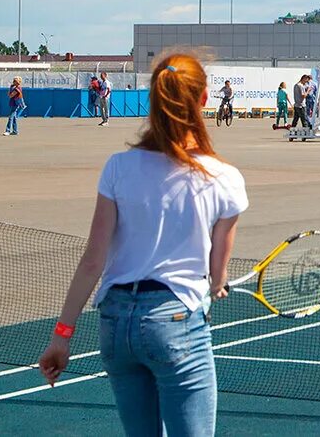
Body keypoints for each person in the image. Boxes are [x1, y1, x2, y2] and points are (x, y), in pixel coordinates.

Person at [38, 53, 247, 436]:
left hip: (116, 323)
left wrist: (61, 336)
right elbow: (217, 272)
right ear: (202, 101)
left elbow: (93, 260)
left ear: (154, 99)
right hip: (175, 322)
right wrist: (217, 284)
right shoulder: (224, 177)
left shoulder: (118, 167)